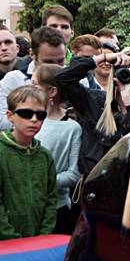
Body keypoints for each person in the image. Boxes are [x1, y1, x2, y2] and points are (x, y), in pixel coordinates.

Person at [55, 48, 130, 176]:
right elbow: (62, 79)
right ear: (114, 76)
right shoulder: (95, 101)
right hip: (94, 185)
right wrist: (102, 58)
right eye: (126, 75)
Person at [0, 85, 56, 241]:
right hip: (1, 244)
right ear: (10, 116)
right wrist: (12, 239)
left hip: (38, 241)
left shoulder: (45, 156)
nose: (34, 119)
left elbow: (51, 199)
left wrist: (44, 235)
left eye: (40, 114)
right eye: (25, 113)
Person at [33, 64, 82, 233]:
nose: (29, 90)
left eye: (35, 86)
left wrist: (42, 181)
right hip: (26, 208)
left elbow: (74, 173)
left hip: (56, 208)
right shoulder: (26, 119)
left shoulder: (71, 128)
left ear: (52, 91)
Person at [0, 26, 67, 132]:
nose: (55, 67)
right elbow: (0, 124)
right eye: (48, 62)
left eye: (60, 61)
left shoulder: (75, 80)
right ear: (32, 54)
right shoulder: (14, 79)